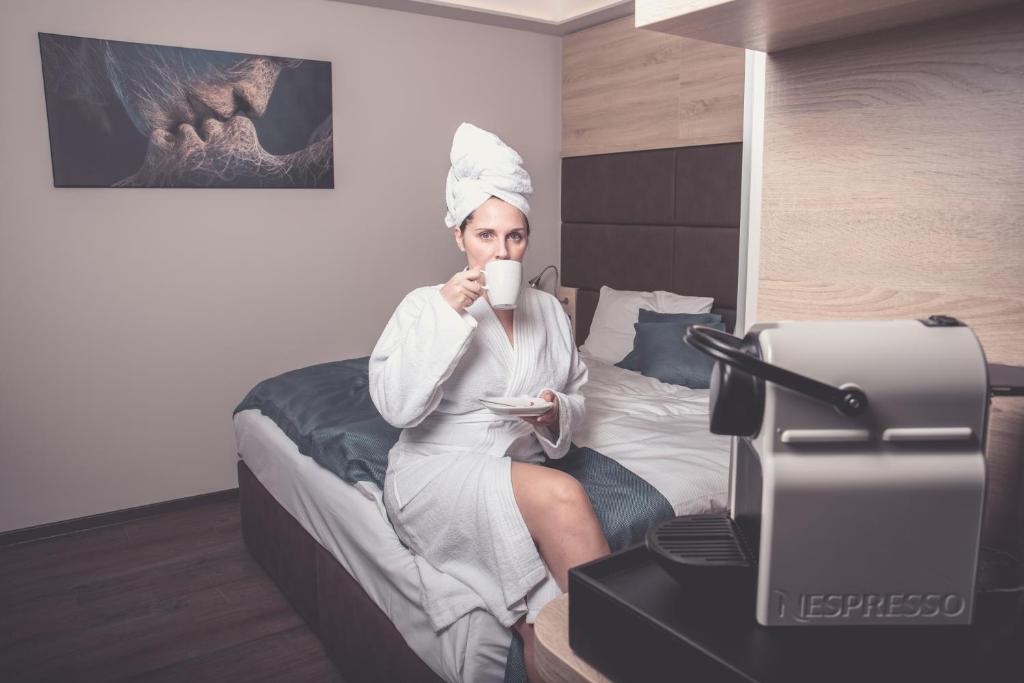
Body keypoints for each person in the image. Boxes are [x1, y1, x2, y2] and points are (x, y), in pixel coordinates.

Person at [369, 122, 610, 682]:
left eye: (515, 237)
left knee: (544, 619)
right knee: (565, 495)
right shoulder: (423, 306)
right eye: (485, 235)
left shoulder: (549, 310)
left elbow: (574, 389)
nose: (501, 252)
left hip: (512, 468)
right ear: (459, 236)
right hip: (436, 470)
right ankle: (620, 642)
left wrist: (554, 411)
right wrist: (447, 314)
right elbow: (398, 410)